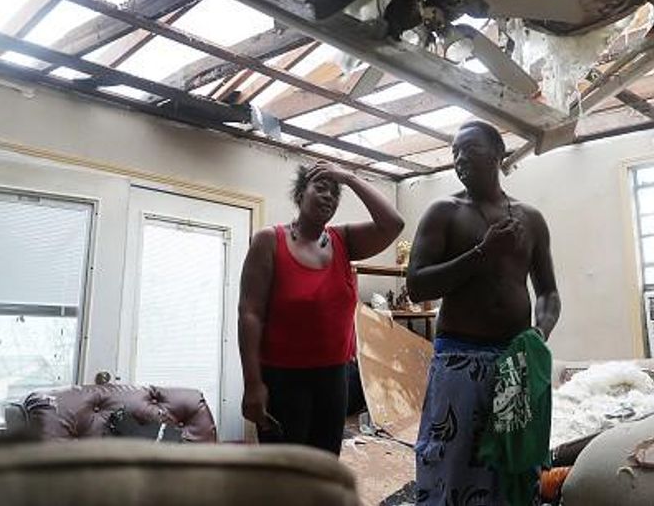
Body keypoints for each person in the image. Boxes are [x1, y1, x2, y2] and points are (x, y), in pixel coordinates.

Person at [406, 120, 561, 504]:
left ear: (497, 154)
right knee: (452, 464)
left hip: (515, 361)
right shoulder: (443, 212)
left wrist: (538, 335)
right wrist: (481, 254)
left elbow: (549, 293)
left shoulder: (531, 219)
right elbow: (417, 286)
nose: (459, 159)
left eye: (469, 149)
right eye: (454, 152)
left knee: (514, 464)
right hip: (459, 359)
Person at [238, 161, 404, 454]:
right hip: (282, 379)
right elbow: (250, 314)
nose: (329, 196)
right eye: (320, 187)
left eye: (335, 193)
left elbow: (393, 224)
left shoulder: (344, 240)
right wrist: (253, 384)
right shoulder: (269, 241)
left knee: (325, 466)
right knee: (287, 474)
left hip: (334, 377)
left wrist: (350, 178)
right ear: (300, 194)